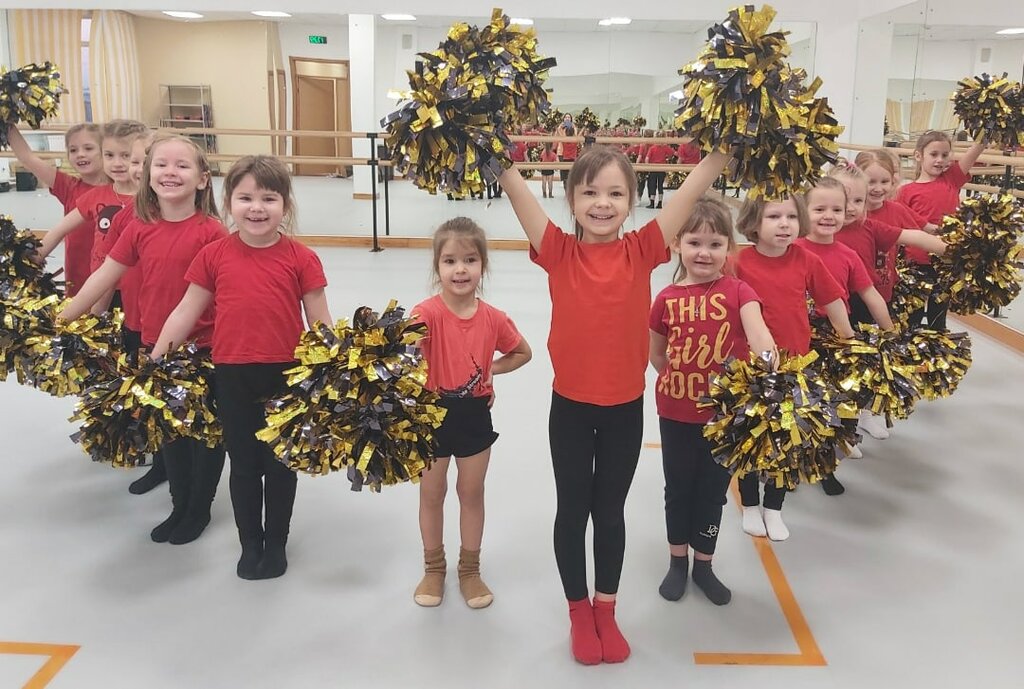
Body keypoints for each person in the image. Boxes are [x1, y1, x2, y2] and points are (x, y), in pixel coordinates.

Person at [500, 144, 729, 664]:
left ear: (631, 201)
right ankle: (578, 611)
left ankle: (606, 607)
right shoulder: (558, 251)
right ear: (571, 200)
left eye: (615, 193)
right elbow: (516, 191)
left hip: (625, 409)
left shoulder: (643, 249)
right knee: (572, 510)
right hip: (571, 409)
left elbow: (691, 190)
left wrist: (721, 152)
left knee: (609, 512)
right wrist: (495, 155)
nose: (602, 204)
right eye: (590, 193)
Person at [151, 155, 331, 578]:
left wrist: (335, 371)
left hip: (286, 376)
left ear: (285, 204)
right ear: (229, 201)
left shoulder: (302, 258)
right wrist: (155, 361)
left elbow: (320, 321)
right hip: (231, 374)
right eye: (245, 198)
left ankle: (276, 543)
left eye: (268, 198)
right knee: (245, 465)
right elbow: (185, 311)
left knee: (281, 465)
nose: (256, 208)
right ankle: (250, 543)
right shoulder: (213, 255)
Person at [58, 134, 228, 545]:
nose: (170, 172)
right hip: (154, 346)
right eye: (161, 164)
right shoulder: (139, 227)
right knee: (168, 430)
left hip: (203, 351)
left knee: (203, 432)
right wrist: (62, 318)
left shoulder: (212, 232)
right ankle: (179, 503)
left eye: (182, 165)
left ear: (203, 179)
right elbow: (104, 275)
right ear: (149, 175)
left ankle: (199, 509)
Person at [649, 197, 775, 605]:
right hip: (675, 413)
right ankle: (677, 560)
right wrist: (679, 383)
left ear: (728, 249)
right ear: (677, 245)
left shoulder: (740, 291)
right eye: (695, 242)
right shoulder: (665, 298)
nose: (704, 253)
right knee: (677, 489)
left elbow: (759, 335)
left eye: (715, 244)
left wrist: (770, 367)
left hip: (724, 418)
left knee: (713, 492)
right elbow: (656, 354)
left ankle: (704, 563)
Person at [411, 217, 532, 609]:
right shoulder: (425, 313)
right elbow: (400, 353)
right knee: (432, 493)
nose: (460, 269)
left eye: (469, 260)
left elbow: (522, 352)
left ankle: (469, 570)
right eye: (449, 261)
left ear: (483, 265)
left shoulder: (493, 317)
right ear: (437, 267)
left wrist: (490, 369)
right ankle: (433, 568)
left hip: (475, 415)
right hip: (431, 416)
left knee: (471, 492)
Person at [732, 195, 855, 540]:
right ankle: (750, 504)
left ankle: (774, 507)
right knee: (751, 439)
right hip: (751, 369)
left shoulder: (806, 259)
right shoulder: (737, 262)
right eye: (774, 216)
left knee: (787, 439)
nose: (784, 223)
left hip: (796, 368)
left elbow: (832, 300)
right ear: (753, 223)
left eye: (791, 216)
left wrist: (849, 339)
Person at [827, 163, 950, 441]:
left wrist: (955, 249)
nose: (850, 208)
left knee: (865, 365)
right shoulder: (819, 229)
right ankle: (840, 426)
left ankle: (865, 416)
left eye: (858, 201)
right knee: (836, 369)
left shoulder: (870, 226)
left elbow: (913, 235)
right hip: (828, 310)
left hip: (865, 305)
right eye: (843, 200)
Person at [796, 177, 896, 487]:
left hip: (838, 336)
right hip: (799, 336)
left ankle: (827, 465)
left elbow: (871, 295)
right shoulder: (792, 249)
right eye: (819, 209)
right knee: (802, 401)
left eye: (837, 209)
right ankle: (793, 463)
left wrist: (891, 333)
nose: (829, 216)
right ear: (804, 211)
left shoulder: (848, 255)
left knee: (840, 401)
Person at [35, 120, 149, 280]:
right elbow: (59, 230)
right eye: (109, 155)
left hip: (137, 282)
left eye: (126, 156)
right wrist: (28, 262)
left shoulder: (152, 200)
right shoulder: (96, 196)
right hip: (100, 283)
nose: (117, 163)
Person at [896, 131, 986, 330]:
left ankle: (937, 347)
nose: (939, 160)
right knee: (912, 317)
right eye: (934, 154)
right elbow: (899, 224)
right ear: (918, 155)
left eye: (945, 155)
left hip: (945, 262)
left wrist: (987, 132)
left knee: (938, 317)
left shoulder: (951, 179)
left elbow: (975, 151)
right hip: (915, 262)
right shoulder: (906, 191)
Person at [5, 122, 107, 295]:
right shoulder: (68, 186)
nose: (80, 154)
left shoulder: (120, 189)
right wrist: (7, 118)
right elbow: (27, 157)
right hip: (79, 281)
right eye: (73, 150)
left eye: (88, 148)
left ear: (105, 151)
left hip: (116, 282)